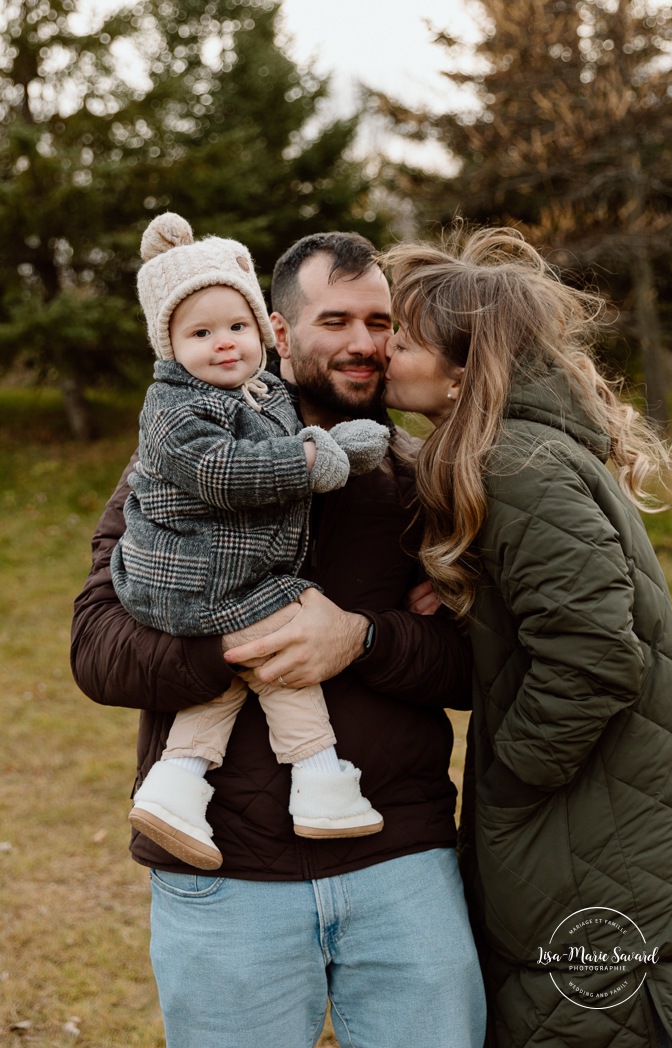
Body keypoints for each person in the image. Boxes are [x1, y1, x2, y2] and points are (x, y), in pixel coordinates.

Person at [71, 229, 487, 1048]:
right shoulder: (176, 461)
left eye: (381, 322)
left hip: (399, 862)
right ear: (276, 332)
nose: (363, 344)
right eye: (336, 320)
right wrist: (228, 646)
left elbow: (479, 670)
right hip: (223, 871)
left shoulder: (425, 480)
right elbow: (95, 647)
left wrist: (362, 639)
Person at [380, 226, 672, 1048]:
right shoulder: (522, 454)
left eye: (403, 338)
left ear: (460, 371)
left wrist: (516, 779)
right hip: (607, 836)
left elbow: (592, 656)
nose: (384, 350)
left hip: (599, 843)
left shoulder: (518, 464)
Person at [112, 212, 389, 870]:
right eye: (201, 333)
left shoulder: (258, 396)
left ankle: (176, 783)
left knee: (259, 654)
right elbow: (224, 470)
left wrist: (333, 449)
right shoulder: (178, 408)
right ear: (168, 344)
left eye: (236, 327)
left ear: (263, 332)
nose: (225, 344)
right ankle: (320, 778)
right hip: (187, 580)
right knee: (283, 638)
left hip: (222, 581)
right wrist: (311, 461)